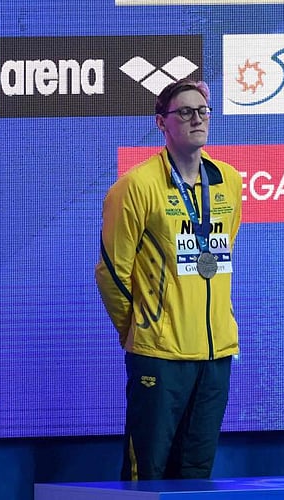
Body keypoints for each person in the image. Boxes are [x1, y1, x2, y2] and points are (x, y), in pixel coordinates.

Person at [95, 78, 243, 480]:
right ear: (161, 122)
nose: (197, 119)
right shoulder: (135, 186)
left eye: (203, 111)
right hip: (159, 355)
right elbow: (112, 271)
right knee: (148, 472)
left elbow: (222, 254)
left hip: (215, 355)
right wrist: (141, 328)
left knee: (196, 472)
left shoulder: (229, 181)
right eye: (185, 112)